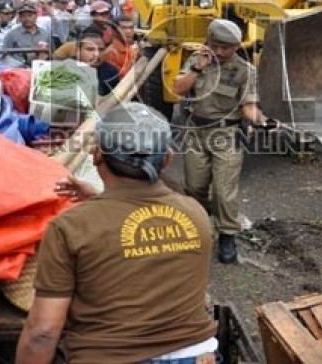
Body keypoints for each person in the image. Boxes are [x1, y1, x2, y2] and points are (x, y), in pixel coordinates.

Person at [16, 102, 216, 364]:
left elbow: (42, 333)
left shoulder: (70, 227)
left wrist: (100, 204)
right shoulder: (196, 213)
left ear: (97, 154)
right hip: (196, 355)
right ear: (167, 158)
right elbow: (140, 223)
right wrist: (100, 200)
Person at [171, 19, 274, 264]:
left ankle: (227, 233)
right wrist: (197, 68)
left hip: (226, 134)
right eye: (215, 45)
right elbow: (177, 89)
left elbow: (248, 107)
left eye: (226, 47)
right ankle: (202, 223)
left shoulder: (245, 71)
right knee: (194, 187)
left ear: (237, 46)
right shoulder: (197, 60)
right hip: (196, 132)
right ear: (207, 41)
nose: (219, 52)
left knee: (223, 192)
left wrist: (263, 121)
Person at [3, 2, 51, 67]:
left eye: (30, 15)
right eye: (23, 16)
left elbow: (51, 52)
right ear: (19, 18)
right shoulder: (12, 35)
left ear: (36, 16)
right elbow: (5, 54)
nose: (27, 19)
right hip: (19, 70)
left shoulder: (45, 34)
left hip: (41, 69)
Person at [74, 28, 119, 96]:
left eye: (101, 49)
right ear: (78, 51)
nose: (96, 54)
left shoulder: (112, 72)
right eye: (90, 49)